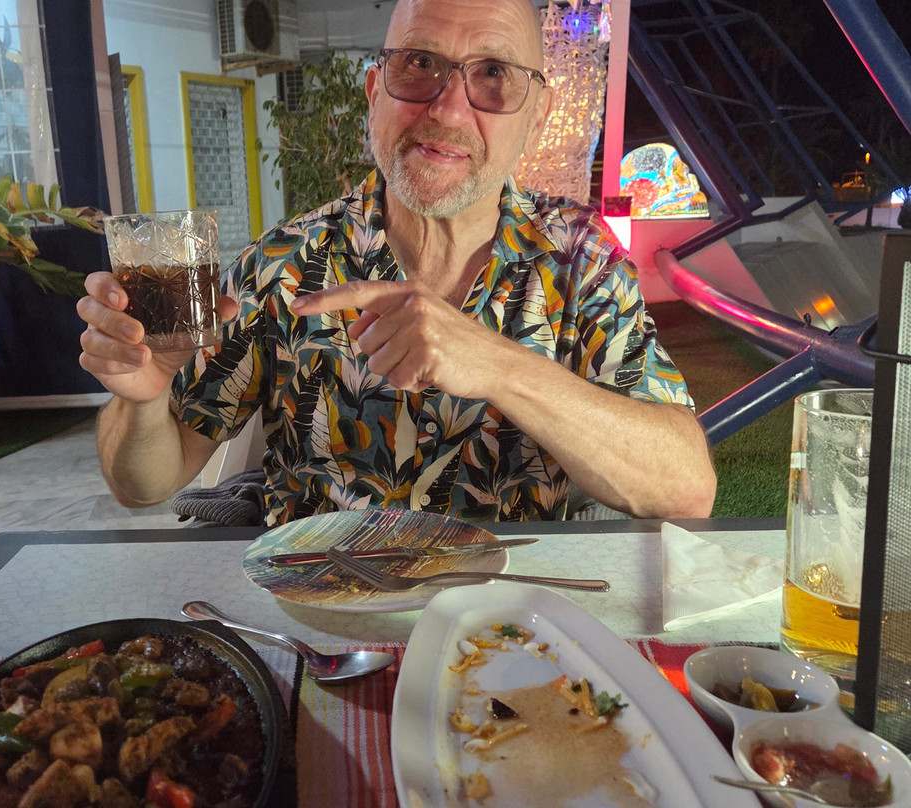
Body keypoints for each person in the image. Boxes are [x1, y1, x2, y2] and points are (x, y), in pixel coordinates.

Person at [77, 0, 717, 526]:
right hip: (315, 616)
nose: (448, 109)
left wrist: (499, 366)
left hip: (506, 621)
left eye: (494, 73)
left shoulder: (581, 260)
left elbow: (686, 489)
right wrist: (143, 399)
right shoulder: (282, 262)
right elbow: (143, 485)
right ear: (374, 91)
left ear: (537, 116)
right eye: (420, 63)